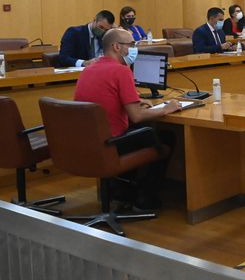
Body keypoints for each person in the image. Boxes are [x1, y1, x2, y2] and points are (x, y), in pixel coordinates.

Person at [74, 28, 181, 210]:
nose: (134, 49)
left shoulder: (88, 69)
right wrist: (165, 108)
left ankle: (122, 191)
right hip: (112, 144)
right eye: (131, 44)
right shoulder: (121, 71)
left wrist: (134, 100)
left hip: (89, 142)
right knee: (165, 137)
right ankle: (146, 198)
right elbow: (137, 116)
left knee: (138, 134)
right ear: (116, 46)